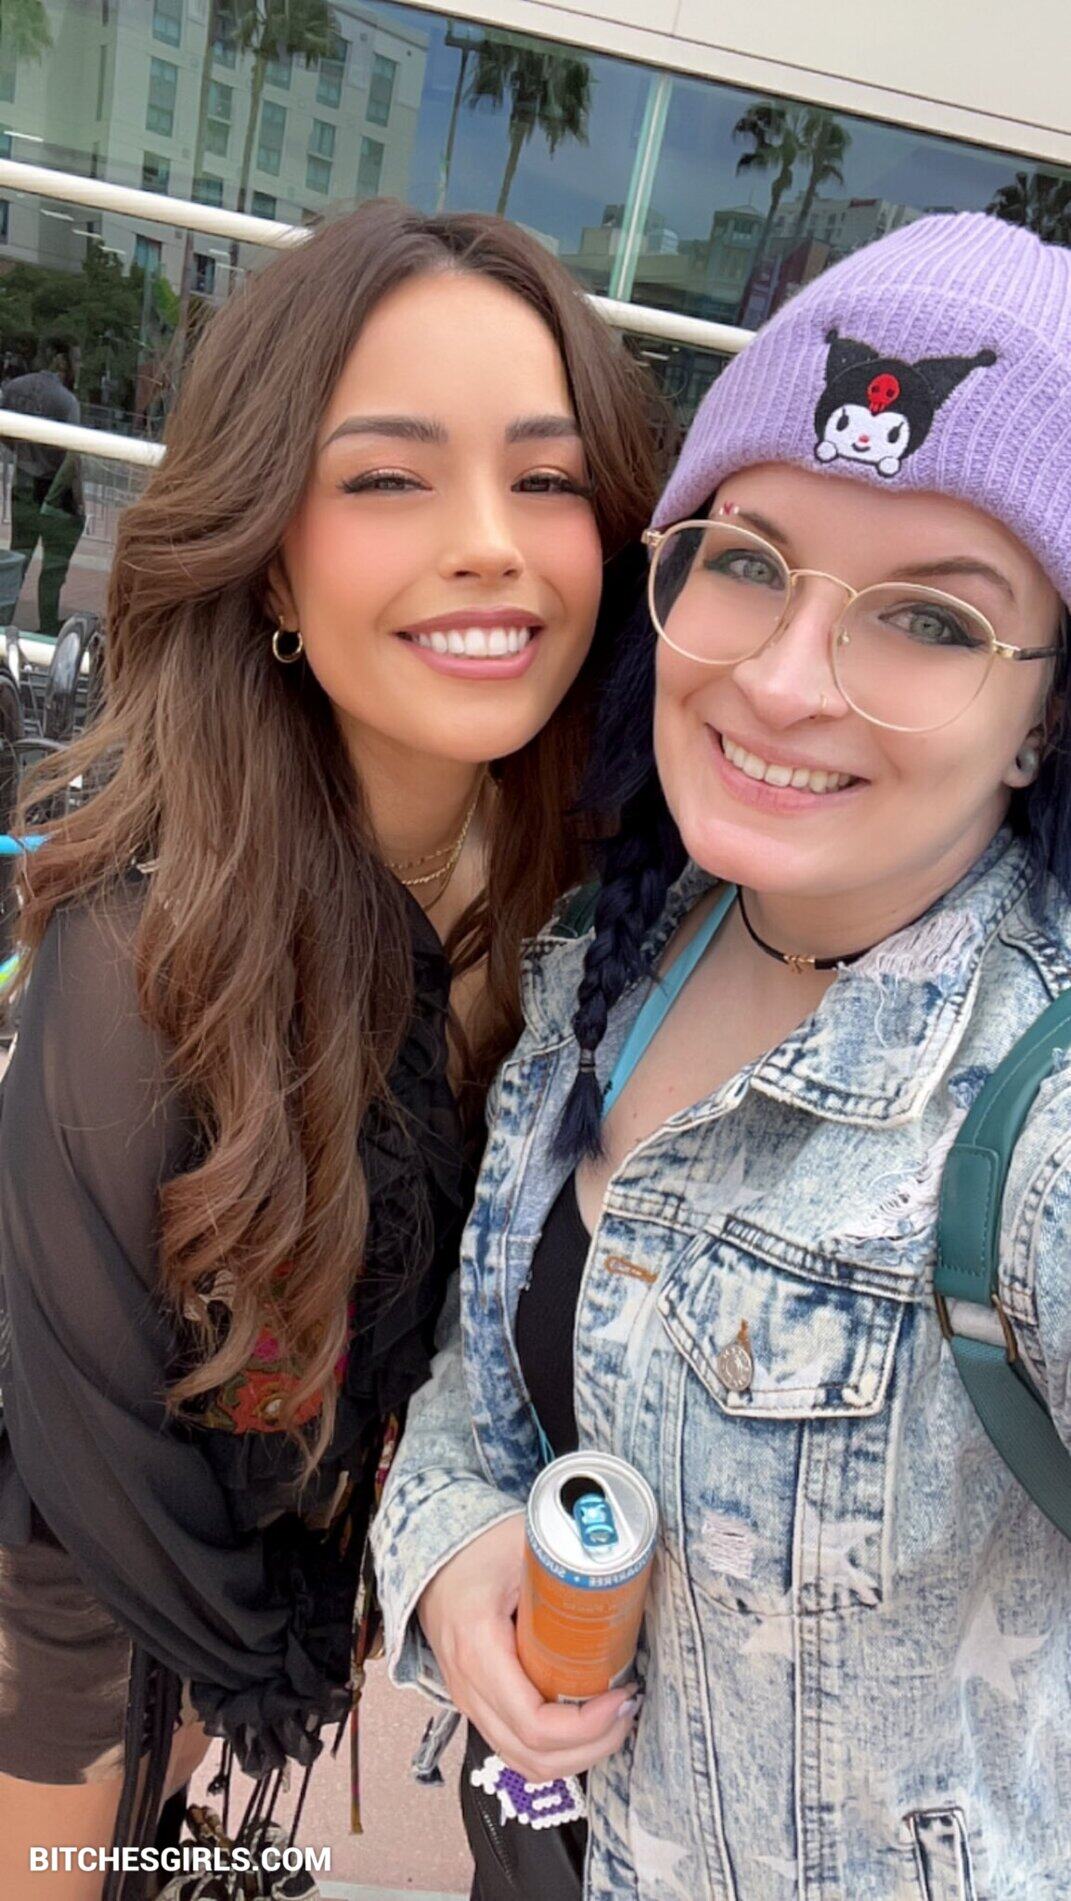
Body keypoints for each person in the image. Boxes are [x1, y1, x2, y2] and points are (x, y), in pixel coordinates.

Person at [374, 211, 1071, 1900]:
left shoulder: (1036, 1126)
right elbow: (483, 1382)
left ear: (1041, 715)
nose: (780, 678)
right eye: (747, 560)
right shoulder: (611, 951)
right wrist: (452, 1553)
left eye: (931, 617)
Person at [0, 198, 661, 1901]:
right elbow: (90, 1492)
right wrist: (270, 1670)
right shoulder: (145, 955)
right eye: (386, 478)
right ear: (271, 557)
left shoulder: (595, 904)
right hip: (93, 1610)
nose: (490, 544)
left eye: (543, 477)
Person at [2, 341, 86, 636]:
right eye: (77, 360)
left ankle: (4, 619)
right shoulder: (66, 400)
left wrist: (22, 453)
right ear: (63, 361)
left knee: (19, 556)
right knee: (53, 567)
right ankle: (47, 626)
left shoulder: (15, 388)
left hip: (24, 480)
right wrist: (54, 498)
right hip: (53, 488)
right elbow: (73, 454)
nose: (80, 367)